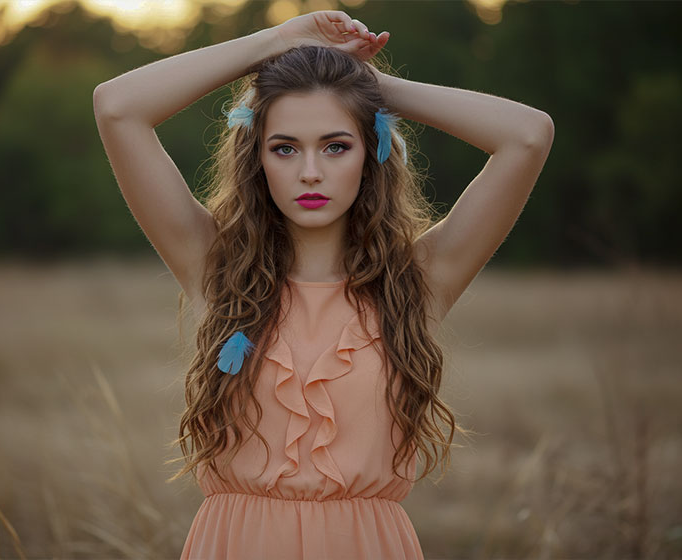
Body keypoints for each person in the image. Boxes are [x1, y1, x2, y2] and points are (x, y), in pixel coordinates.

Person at [93, 10, 553, 560]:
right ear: (257, 160)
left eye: (336, 145)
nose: (310, 171)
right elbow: (117, 108)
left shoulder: (419, 281)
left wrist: (366, 88)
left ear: (371, 153)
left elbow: (527, 136)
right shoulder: (215, 268)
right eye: (284, 148)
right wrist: (278, 42)